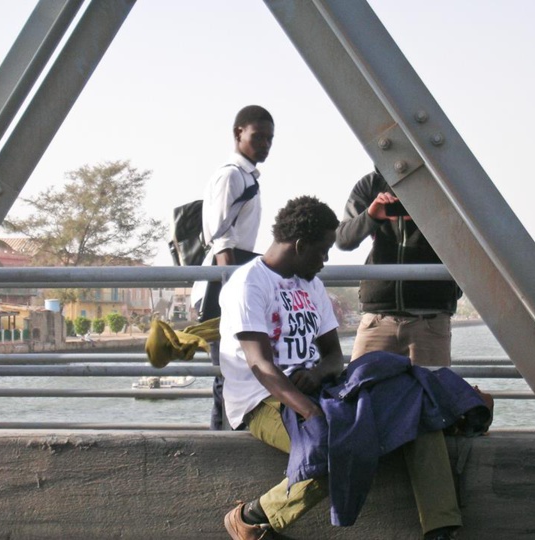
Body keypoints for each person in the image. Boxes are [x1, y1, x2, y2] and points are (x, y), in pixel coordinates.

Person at [220, 196, 462, 540]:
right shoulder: (249, 284)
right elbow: (260, 364)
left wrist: (318, 374)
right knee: (337, 448)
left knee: (416, 408)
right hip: (264, 401)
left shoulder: (312, 286)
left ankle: (441, 529)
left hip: (317, 391)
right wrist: (310, 412)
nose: (325, 260)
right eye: (321, 251)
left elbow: (333, 355)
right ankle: (252, 516)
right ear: (301, 246)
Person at [192, 104, 275, 430]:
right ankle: (222, 441)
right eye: (258, 137)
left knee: (232, 369)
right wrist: (233, 293)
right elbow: (221, 237)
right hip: (224, 280)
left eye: (270, 139)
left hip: (234, 274)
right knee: (226, 368)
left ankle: (225, 436)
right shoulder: (231, 175)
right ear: (238, 133)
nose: (265, 144)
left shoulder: (246, 176)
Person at [335, 168, 462, 366]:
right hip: (377, 318)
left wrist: (429, 214)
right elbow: (343, 239)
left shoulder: (444, 179)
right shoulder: (372, 183)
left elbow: (468, 240)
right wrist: (372, 215)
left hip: (430, 319)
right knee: (361, 390)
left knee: (430, 394)